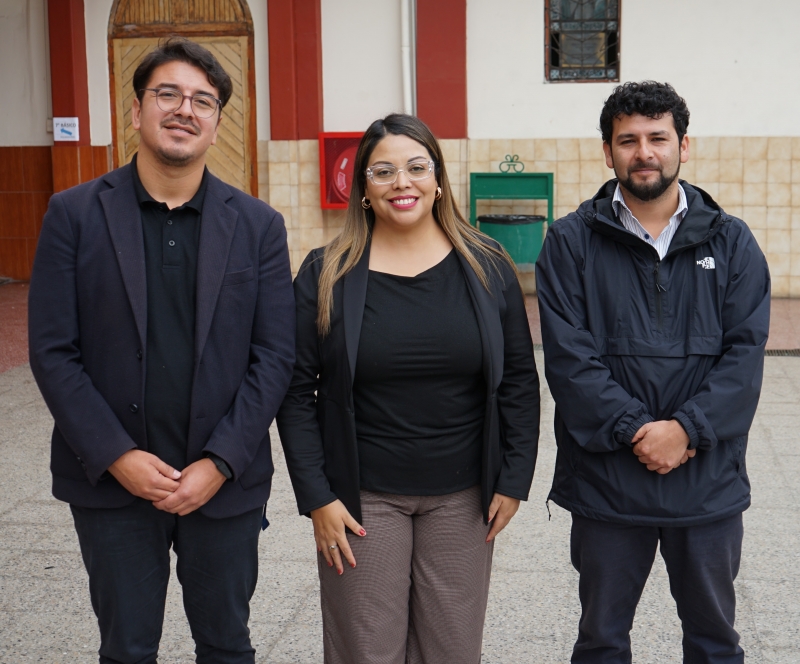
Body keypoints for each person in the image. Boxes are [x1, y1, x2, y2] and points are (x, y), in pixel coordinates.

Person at [28, 37, 295, 664]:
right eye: (167, 94)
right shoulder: (74, 215)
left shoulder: (257, 225)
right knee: (126, 647)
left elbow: (275, 356)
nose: (185, 110)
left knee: (228, 645)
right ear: (136, 111)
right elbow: (52, 350)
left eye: (203, 100)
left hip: (222, 482)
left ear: (217, 123)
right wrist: (116, 454)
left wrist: (222, 460)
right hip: (113, 484)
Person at [276, 113, 540, 663]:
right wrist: (317, 497)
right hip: (361, 497)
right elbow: (297, 392)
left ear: (438, 179)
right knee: (365, 649)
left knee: (452, 650)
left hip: (465, 496)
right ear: (364, 190)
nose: (403, 182)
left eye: (417, 167)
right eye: (384, 171)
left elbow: (518, 378)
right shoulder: (327, 272)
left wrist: (513, 479)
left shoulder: (487, 265)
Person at [536, 81, 770, 663]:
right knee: (601, 642)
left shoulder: (733, 242)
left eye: (658, 138)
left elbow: (745, 356)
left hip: (706, 485)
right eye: (628, 140)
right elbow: (569, 360)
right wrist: (639, 432)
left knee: (716, 643)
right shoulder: (569, 242)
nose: (644, 152)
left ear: (683, 146)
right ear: (607, 151)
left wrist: (686, 430)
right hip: (609, 485)